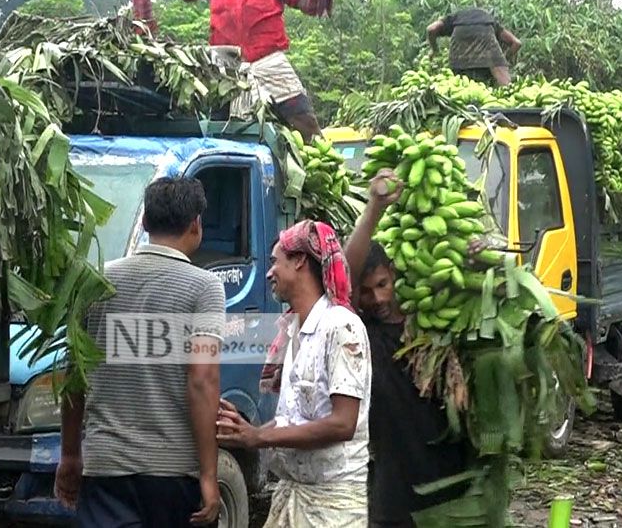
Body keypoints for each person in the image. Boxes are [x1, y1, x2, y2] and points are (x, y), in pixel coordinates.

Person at [54, 177, 224, 526]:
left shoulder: (96, 281)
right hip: (173, 472)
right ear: (196, 225)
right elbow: (202, 379)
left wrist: (70, 454)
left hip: (105, 468)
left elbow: (75, 374)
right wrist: (209, 475)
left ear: (144, 221)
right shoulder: (205, 288)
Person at [217, 220, 371, 527]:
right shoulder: (293, 329)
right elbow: (294, 419)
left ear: (300, 260)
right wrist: (243, 432)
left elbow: (343, 423)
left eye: (275, 261)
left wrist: (259, 437)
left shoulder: (341, 327)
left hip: (333, 506)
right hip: (294, 495)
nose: (269, 272)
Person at [343, 171, 471, 527]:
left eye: (383, 284)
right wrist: (374, 208)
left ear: (395, 273)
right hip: (394, 484)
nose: (377, 298)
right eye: (366, 292)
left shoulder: (432, 323)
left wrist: (480, 257)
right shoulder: (364, 332)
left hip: (450, 472)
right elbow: (344, 276)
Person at [132, 0, 327, 141]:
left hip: (269, 60)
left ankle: (326, 172)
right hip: (225, 66)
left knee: (305, 122)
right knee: (225, 130)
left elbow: (308, 4)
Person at [426, 8, 522, 87]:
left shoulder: (453, 18)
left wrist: (434, 50)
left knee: (459, 83)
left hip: (460, 45)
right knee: (504, 83)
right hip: (485, 32)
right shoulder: (490, 21)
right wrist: (504, 60)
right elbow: (516, 43)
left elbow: (431, 29)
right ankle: (508, 93)